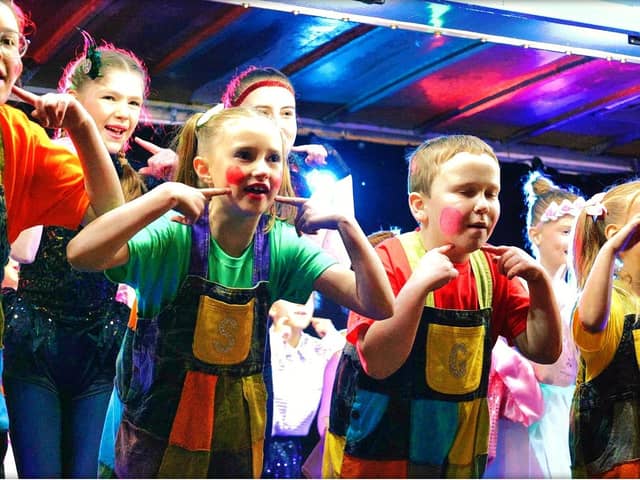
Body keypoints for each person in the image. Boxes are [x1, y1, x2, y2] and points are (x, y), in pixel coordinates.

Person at [66, 105, 394, 478]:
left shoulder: (281, 244)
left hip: (235, 445)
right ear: (204, 169)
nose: (261, 169)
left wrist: (346, 224)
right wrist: (163, 196)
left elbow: (379, 305)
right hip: (155, 442)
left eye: (273, 159)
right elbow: (80, 255)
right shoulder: (175, 235)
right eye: (245, 155)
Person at [322, 134, 562, 478]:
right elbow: (377, 361)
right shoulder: (390, 260)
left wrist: (539, 284)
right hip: (381, 454)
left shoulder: (495, 270)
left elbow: (544, 351)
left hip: (453, 455)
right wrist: (417, 286)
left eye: (491, 193)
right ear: (420, 206)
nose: (483, 204)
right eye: (466, 192)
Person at [2, 37, 155, 478]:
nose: (124, 113)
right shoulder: (47, 157)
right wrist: (62, 146)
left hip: (98, 341)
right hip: (36, 337)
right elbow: (23, 249)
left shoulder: (129, 181)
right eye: (109, 98)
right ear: (74, 100)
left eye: (133, 102)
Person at [484, 171, 583, 478]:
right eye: (566, 232)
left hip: (569, 403)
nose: (572, 241)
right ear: (535, 233)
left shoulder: (580, 290)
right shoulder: (522, 285)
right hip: (528, 408)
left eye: (578, 234)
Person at [569, 180, 640, 478]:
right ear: (619, 236)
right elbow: (590, 320)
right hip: (621, 461)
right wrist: (609, 252)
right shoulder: (614, 301)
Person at [263, 294, 345, 478]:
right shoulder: (264, 344)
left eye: (308, 297)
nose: (301, 303)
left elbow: (345, 358)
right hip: (260, 444)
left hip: (294, 449)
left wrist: (330, 332)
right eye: (293, 296)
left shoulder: (317, 349)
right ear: (272, 307)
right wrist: (276, 334)